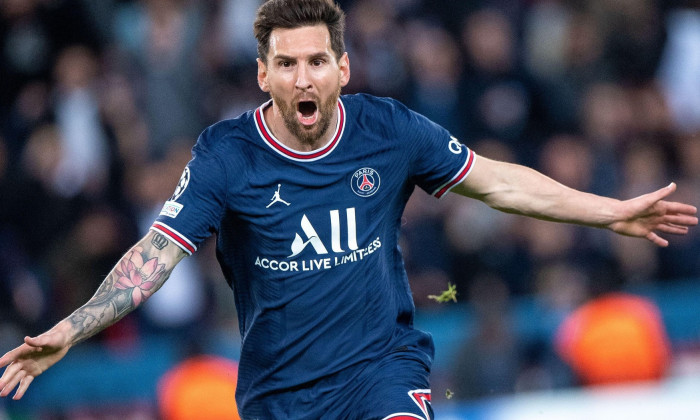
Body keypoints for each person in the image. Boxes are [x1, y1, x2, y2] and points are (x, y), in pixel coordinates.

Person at [0, 0, 697, 418]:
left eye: (316, 61)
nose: (303, 77)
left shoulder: (387, 130)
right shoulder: (226, 155)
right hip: (280, 395)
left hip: (380, 371)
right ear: (263, 74)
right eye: (287, 63)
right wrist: (71, 327)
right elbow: (155, 256)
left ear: (343, 68)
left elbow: (498, 182)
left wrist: (610, 211)